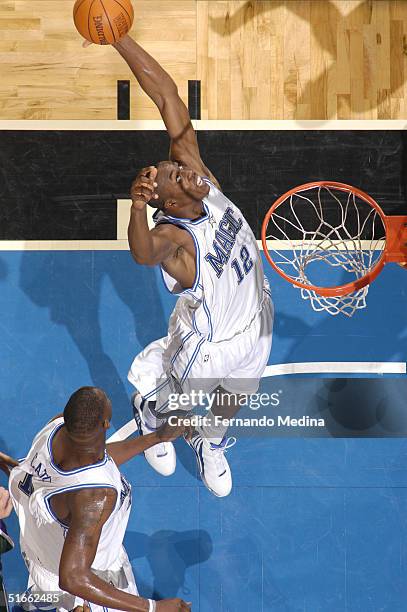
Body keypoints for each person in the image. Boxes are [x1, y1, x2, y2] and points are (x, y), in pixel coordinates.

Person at [107, 35, 274, 498]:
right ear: (169, 201)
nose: (189, 170)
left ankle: (212, 446)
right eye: (178, 175)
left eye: (181, 167)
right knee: (177, 412)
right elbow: (142, 253)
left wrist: (119, 37)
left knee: (234, 398)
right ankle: (151, 410)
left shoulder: (202, 181)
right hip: (209, 341)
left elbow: (166, 94)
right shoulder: (176, 241)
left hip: (256, 318)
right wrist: (136, 206)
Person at [8, 387, 191, 612]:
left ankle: (41, 601)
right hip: (85, 582)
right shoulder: (95, 498)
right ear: (105, 424)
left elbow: (99, 460)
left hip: (40, 551)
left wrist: (156, 438)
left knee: (47, 589)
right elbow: (73, 577)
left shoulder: (56, 428)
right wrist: (154, 607)